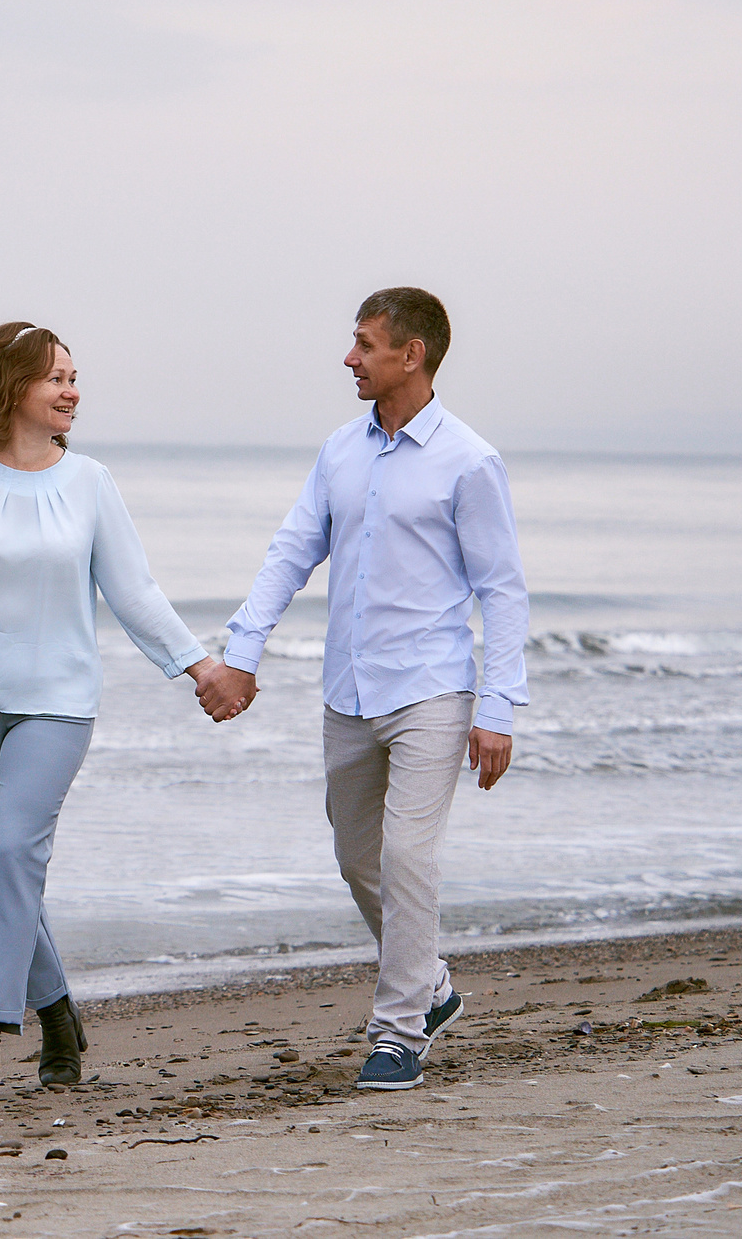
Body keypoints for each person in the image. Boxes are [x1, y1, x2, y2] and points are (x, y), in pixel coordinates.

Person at [0, 321, 258, 1101]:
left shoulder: (90, 482)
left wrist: (201, 667)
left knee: (11, 858)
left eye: (74, 376)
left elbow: (134, 592)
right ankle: (61, 1016)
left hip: (57, 704)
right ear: (12, 386)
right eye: (56, 376)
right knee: (0, 872)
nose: (73, 389)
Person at [222, 287, 529, 1093]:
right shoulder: (340, 451)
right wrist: (244, 648)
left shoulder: (469, 460)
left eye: (363, 343)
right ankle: (431, 985)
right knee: (357, 856)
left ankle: (397, 1034)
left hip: (432, 688)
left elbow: (502, 590)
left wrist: (496, 707)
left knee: (406, 857)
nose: (349, 357)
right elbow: (293, 550)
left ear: (411, 354)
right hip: (346, 691)